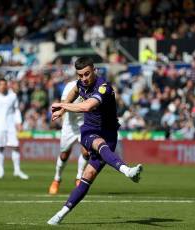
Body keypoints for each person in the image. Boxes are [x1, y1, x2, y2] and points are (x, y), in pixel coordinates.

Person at [47, 57, 143, 225]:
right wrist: (62, 109)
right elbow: (75, 91)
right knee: (98, 144)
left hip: (110, 134)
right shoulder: (80, 84)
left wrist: (62, 106)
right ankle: (128, 171)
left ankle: (61, 214)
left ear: (94, 70)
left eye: (86, 74)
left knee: (88, 175)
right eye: (80, 75)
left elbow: (86, 107)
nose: (84, 78)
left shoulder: (104, 88)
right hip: (89, 131)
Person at [48, 79, 90, 195]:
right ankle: (57, 179)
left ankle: (79, 178)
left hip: (85, 124)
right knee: (64, 154)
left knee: (87, 152)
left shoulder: (95, 87)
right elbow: (63, 104)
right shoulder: (71, 86)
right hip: (70, 125)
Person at [0, 78, 29, 180]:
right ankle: (1, 171)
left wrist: (19, 122)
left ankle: (17, 170)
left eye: (4, 84)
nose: (3, 86)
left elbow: (16, 110)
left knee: (15, 146)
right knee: (0, 147)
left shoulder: (12, 96)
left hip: (10, 125)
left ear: (7, 85)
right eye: (1, 85)